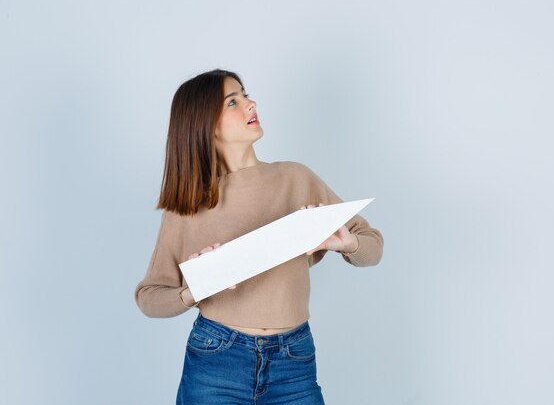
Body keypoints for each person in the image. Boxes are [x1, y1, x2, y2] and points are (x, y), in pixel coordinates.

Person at [134, 69, 384, 405]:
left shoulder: (295, 178)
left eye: (245, 95)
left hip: (294, 361)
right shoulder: (187, 207)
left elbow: (373, 247)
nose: (251, 104)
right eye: (233, 102)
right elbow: (149, 297)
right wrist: (195, 289)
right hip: (216, 361)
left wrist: (346, 243)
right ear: (206, 125)